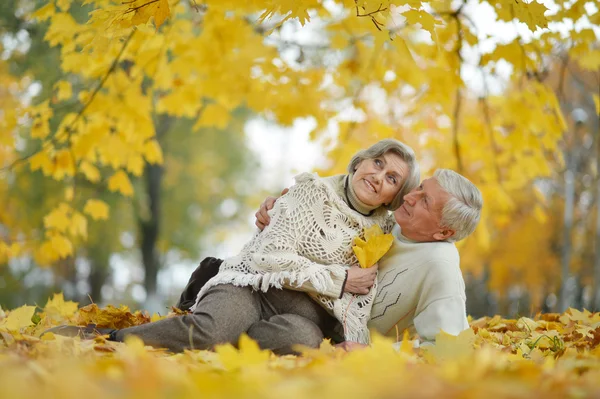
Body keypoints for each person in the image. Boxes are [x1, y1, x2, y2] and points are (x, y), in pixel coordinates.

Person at [46, 139, 420, 354]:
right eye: (376, 162)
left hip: (303, 316)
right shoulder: (310, 192)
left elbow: (361, 300)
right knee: (210, 332)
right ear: (358, 163)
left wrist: (356, 344)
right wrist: (338, 278)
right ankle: (108, 338)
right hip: (252, 287)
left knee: (301, 340)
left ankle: (225, 334)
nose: (377, 176)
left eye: (391, 178)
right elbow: (265, 257)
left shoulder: (385, 230)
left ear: (393, 196)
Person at [179, 168, 483, 350]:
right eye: (419, 188)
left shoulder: (440, 267)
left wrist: (375, 354)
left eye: (425, 201)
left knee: (292, 335)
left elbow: (451, 350)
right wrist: (280, 206)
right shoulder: (391, 222)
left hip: (323, 329)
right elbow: (325, 208)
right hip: (300, 297)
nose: (410, 197)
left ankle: (217, 314)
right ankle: (215, 286)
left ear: (444, 232)